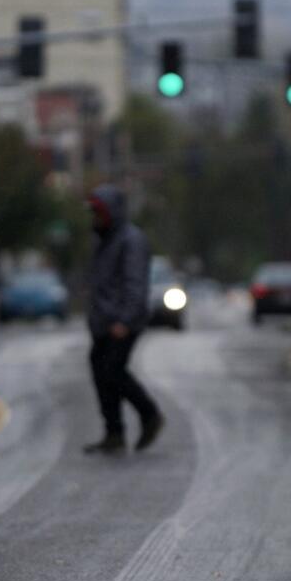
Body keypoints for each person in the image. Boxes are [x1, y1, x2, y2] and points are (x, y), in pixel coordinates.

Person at [83, 184, 165, 455]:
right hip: (104, 321)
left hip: (121, 322)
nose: (94, 218)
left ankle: (150, 414)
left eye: (98, 212)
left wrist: (125, 320)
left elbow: (135, 284)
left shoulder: (131, 240)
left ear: (111, 213)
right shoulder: (103, 239)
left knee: (113, 371)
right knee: (100, 370)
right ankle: (114, 432)